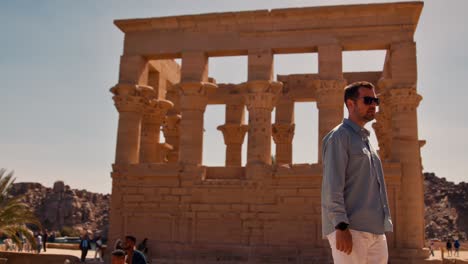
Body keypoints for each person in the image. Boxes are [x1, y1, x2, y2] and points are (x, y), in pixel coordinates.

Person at [321, 81, 393, 264]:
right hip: (351, 229)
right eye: (368, 100)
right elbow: (332, 185)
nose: (374, 105)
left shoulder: (366, 141)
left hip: (376, 231)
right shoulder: (339, 137)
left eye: (375, 100)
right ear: (350, 104)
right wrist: (341, 225)